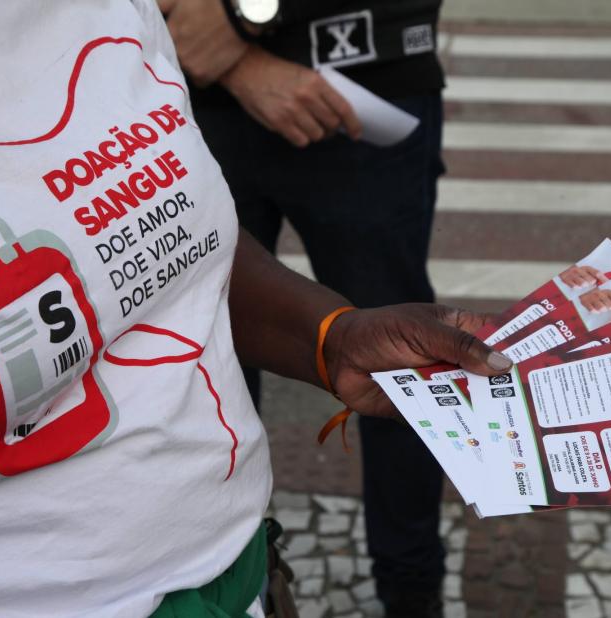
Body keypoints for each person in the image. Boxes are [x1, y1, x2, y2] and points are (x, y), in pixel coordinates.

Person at [0, 1, 512, 616]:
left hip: (235, 575)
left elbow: (169, 257)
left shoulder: (106, 12)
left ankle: (412, 588)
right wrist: (240, 48)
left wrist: (330, 336)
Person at [158, 1, 449, 614]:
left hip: (362, 83)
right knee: (200, 360)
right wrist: (238, 62)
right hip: (183, 94)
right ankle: (231, 574)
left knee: (403, 367)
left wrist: (240, 25)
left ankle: (412, 590)